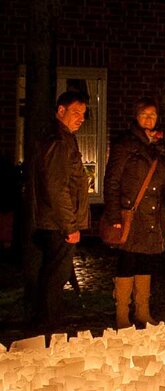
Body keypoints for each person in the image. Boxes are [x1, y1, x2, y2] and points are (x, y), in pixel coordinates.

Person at [103, 97, 165, 328]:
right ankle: (122, 315)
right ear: (136, 116)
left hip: (154, 215)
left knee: (146, 261)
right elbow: (112, 181)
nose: (149, 119)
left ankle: (142, 312)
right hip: (131, 214)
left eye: (153, 115)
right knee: (127, 260)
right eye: (144, 114)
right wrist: (114, 215)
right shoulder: (125, 144)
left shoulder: (160, 147)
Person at [29, 91, 90, 330]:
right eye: (76, 112)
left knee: (54, 273)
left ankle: (48, 321)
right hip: (57, 223)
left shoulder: (63, 138)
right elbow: (57, 187)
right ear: (60, 110)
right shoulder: (58, 141)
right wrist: (70, 226)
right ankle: (48, 325)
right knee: (56, 275)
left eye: (83, 114)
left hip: (56, 221)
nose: (81, 118)